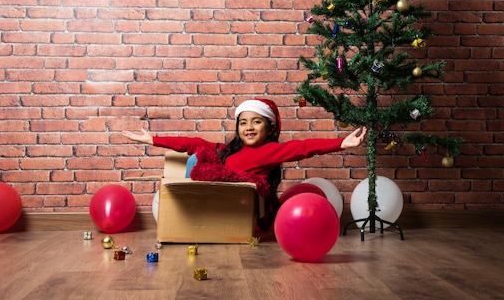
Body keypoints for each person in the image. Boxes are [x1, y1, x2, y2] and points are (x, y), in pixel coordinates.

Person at [122, 98, 367, 229]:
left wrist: (340, 143)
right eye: (243, 123)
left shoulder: (270, 151)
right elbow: (192, 142)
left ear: (269, 128)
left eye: (256, 122)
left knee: (199, 157)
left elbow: (302, 148)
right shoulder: (228, 151)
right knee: (199, 153)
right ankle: (186, 209)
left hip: (233, 206)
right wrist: (153, 139)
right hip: (208, 198)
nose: (248, 127)